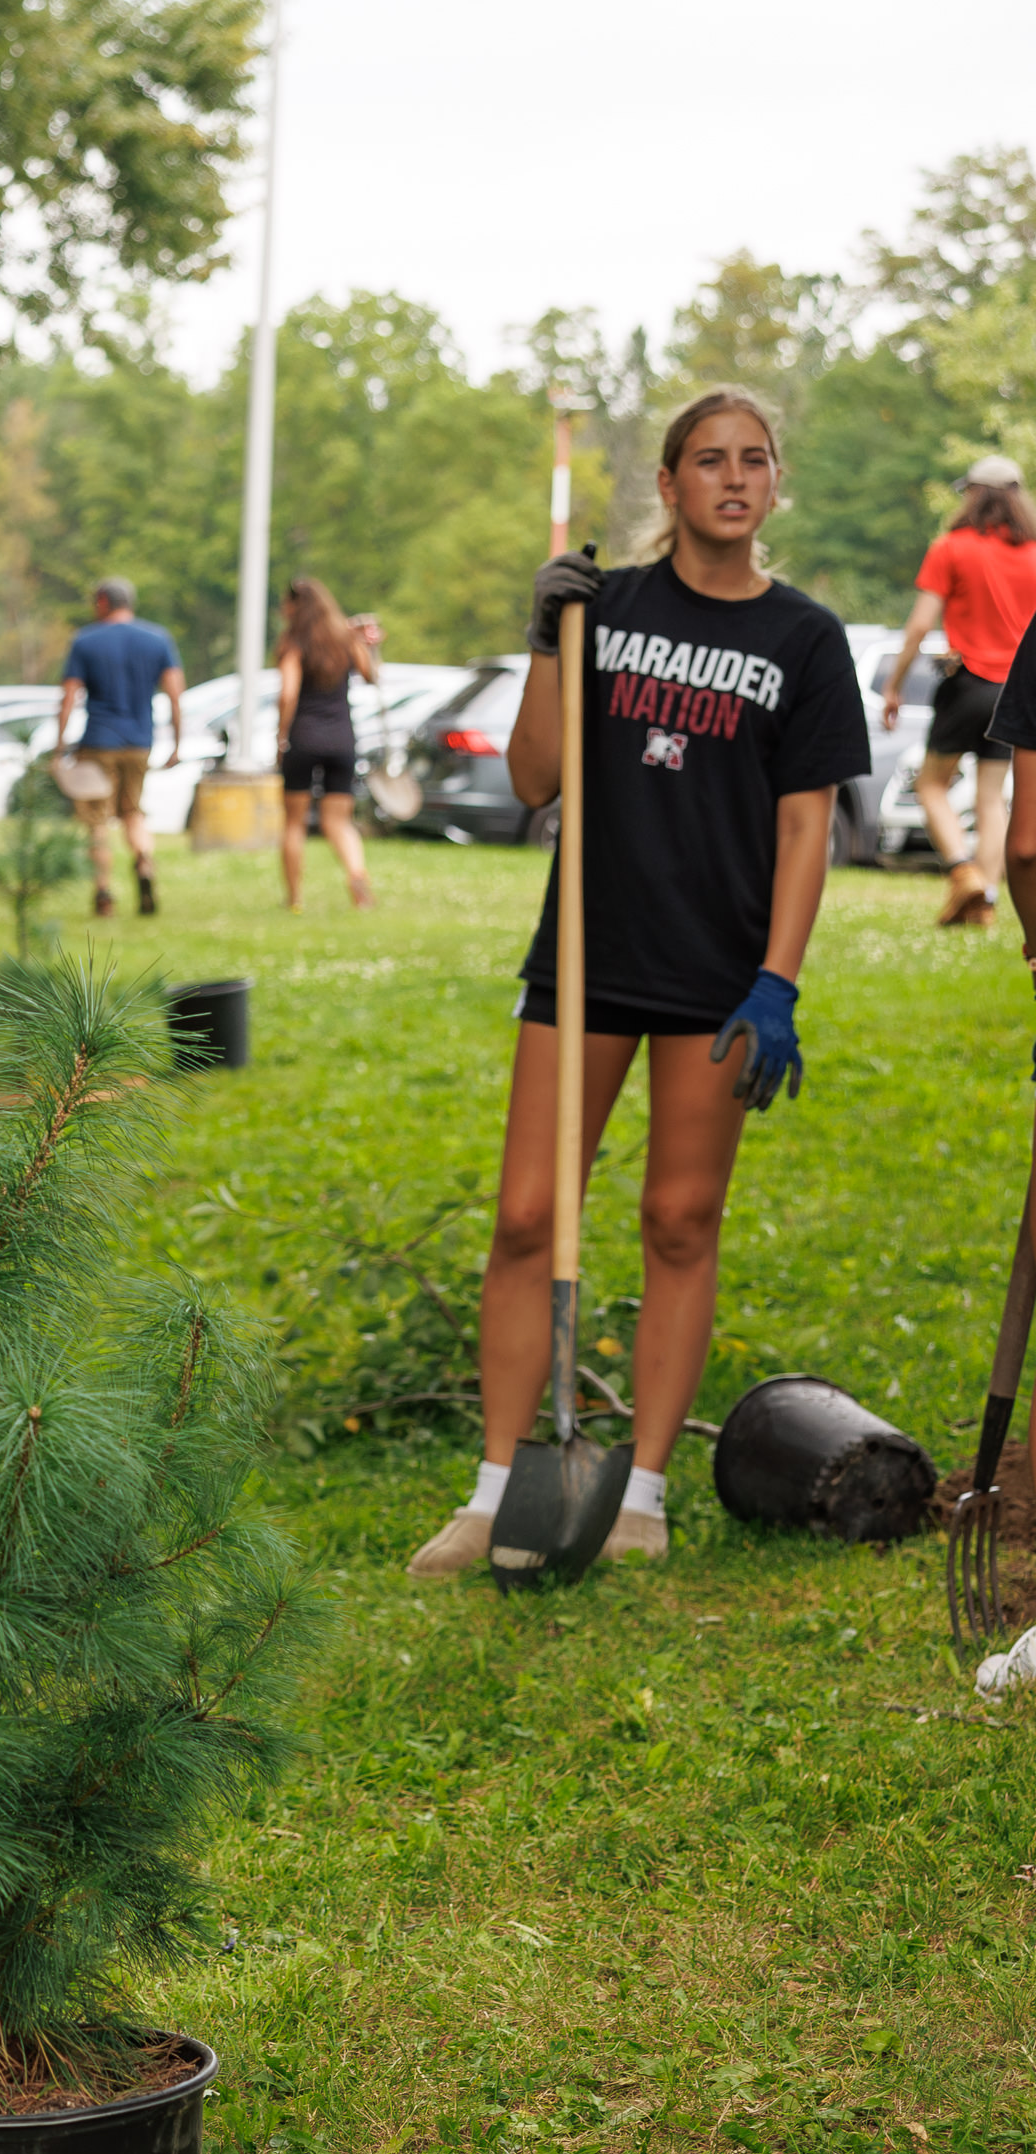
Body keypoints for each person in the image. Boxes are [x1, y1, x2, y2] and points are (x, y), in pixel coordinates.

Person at [408, 387, 868, 1580]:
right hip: (587, 956)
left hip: (720, 973)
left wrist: (778, 980)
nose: (732, 477)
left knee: (679, 1219)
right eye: (707, 460)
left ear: (775, 486)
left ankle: (643, 1497)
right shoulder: (604, 609)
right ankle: (498, 1490)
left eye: (754, 460)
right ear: (666, 487)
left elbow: (807, 828)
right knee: (523, 1218)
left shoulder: (805, 639)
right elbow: (531, 780)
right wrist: (545, 642)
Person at [879, 455, 1031, 929]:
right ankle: (983, 902)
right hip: (1016, 690)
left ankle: (963, 873)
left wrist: (893, 686)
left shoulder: (952, 547)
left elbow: (921, 624)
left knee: (930, 785)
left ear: (975, 496)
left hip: (968, 683)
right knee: (991, 798)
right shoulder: (1033, 553)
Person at [52, 577, 184, 917]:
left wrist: (59, 744)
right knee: (132, 812)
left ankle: (103, 893)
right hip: (140, 743)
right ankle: (143, 862)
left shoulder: (85, 641)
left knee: (97, 820)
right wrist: (178, 742)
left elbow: (69, 697)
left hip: (98, 742)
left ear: (102, 602)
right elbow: (174, 693)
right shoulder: (158, 639)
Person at [272, 575, 378, 913]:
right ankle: (357, 876)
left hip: (304, 737)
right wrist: (369, 643)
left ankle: (295, 899)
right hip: (342, 739)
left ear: (295, 607)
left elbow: (288, 693)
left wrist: (281, 734)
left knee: (294, 821)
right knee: (339, 820)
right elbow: (371, 674)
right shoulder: (345, 640)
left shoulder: (295, 643)